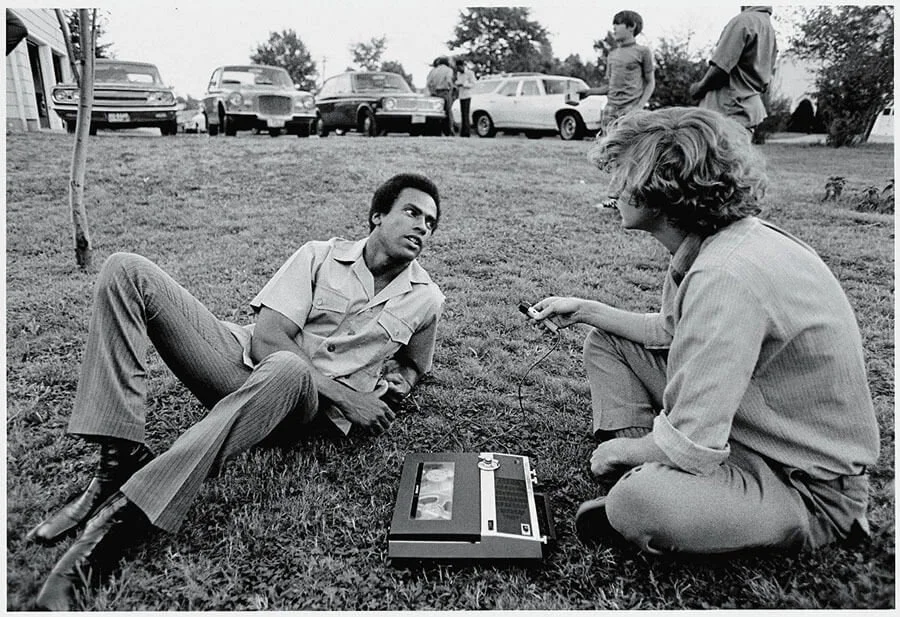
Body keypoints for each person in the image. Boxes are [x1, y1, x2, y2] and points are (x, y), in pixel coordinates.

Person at [30, 173, 445, 610]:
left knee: (287, 368)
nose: (422, 227)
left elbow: (415, 363)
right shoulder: (318, 256)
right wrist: (349, 397)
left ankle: (119, 522)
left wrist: (399, 385)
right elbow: (267, 338)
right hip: (240, 362)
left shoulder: (426, 299)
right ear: (378, 215)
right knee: (125, 269)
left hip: (300, 405)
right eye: (412, 212)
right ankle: (117, 460)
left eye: (431, 223)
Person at [532, 107, 879, 556]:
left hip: (802, 483)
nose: (613, 188)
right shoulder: (718, 242)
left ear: (660, 187)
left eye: (622, 174)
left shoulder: (725, 272)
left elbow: (694, 445)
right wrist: (588, 309)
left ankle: (645, 476)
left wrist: (617, 455)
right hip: (749, 427)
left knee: (639, 504)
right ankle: (646, 458)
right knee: (607, 341)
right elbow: (673, 332)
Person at [689, 6, 777, 133]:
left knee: (720, 152)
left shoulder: (743, 21)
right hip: (748, 108)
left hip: (728, 110)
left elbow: (721, 69)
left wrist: (699, 88)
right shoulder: (768, 28)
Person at [596, 10, 655, 130]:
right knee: (606, 144)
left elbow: (650, 82)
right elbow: (609, 87)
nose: (614, 28)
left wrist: (639, 106)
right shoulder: (612, 54)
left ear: (631, 26)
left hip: (630, 108)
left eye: (618, 24)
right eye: (614, 25)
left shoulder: (643, 52)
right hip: (610, 108)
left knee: (627, 145)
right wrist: (588, 93)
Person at [426, 56, 455, 136]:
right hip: (444, 92)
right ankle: (448, 131)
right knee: (447, 112)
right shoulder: (449, 70)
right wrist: (451, 89)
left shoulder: (433, 70)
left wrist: (432, 91)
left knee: (436, 113)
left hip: (435, 93)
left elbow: (428, 83)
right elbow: (449, 80)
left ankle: (436, 131)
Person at [454, 58, 476, 137]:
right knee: (462, 113)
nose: (458, 69)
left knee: (466, 114)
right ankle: (463, 131)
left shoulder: (470, 73)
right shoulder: (458, 74)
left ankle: (467, 132)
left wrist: (464, 85)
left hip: (467, 95)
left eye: (459, 67)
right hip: (461, 95)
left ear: (462, 66)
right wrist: (457, 84)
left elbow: (473, 84)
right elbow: (457, 81)